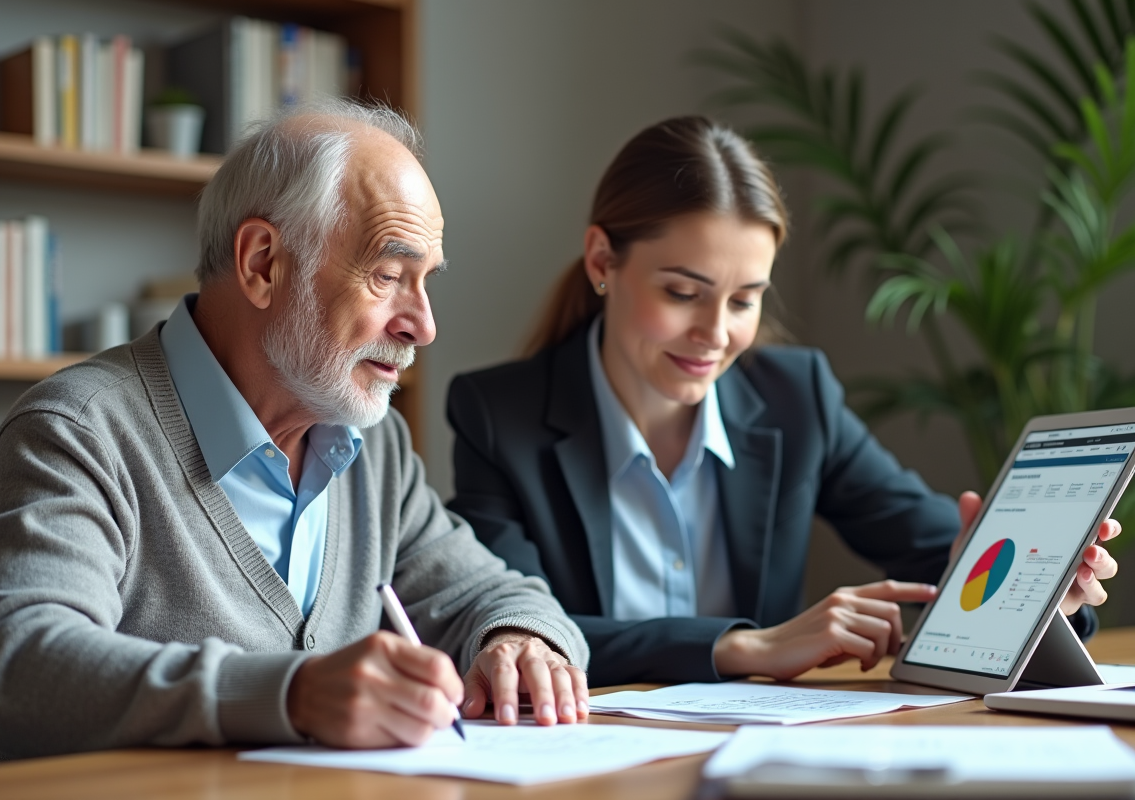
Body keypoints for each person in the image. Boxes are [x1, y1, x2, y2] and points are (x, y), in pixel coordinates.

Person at [0, 101, 590, 766]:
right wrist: (294, 695)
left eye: (425, 282)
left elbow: (490, 592)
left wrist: (521, 640)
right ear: (262, 263)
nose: (421, 325)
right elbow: (22, 669)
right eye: (388, 275)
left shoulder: (374, 449)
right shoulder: (76, 431)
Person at [445, 115, 1119, 687]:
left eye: (744, 300)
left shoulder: (796, 398)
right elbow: (513, 627)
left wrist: (1040, 593)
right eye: (683, 292)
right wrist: (744, 645)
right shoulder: (497, 416)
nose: (715, 334)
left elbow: (936, 549)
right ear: (601, 261)